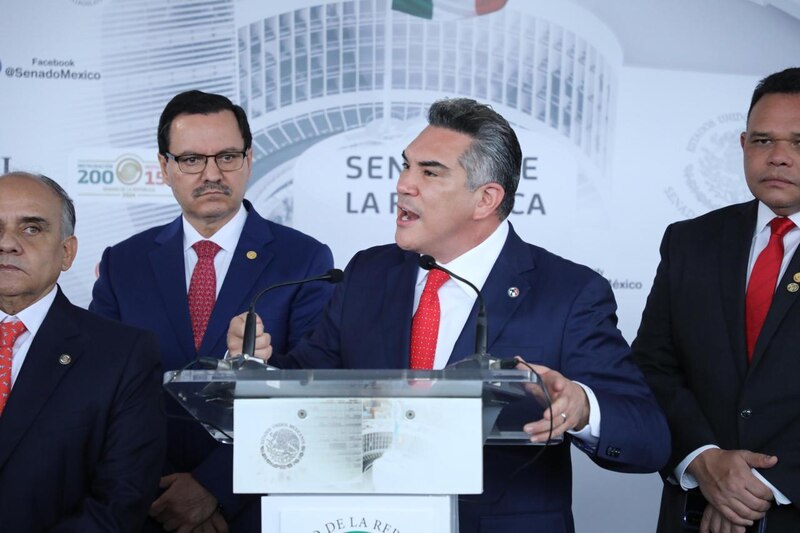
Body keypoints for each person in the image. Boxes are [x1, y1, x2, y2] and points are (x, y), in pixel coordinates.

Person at [229, 98, 671, 533]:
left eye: (429, 172)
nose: (404, 184)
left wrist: (581, 406)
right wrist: (255, 367)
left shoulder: (569, 292)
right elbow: (309, 379)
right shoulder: (368, 271)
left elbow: (647, 438)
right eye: (406, 166)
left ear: (485, 199)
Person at [90, 90, 334, 531]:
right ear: (164, 167)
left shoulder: (305, 261)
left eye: (226, 156)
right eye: (190, 160)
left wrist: (215, 488)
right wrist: (153, 493)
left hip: (249, 507)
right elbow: (97, 391)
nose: (211, 174)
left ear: (249, 159)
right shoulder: (122, 262)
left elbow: (313, 394)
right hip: (142, 505)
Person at [632, 67, 800, 533]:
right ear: (744, 145)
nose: (779, 158)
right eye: (764, 141)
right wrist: (705, 461)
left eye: (799, 143)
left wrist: (761, 484)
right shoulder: (690, 241)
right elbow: (652, 367)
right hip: (694, 512)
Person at [0, 171, 165, 530]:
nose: (7, 243)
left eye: (31, 228)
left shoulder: (123, 355)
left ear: (67, 252)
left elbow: (120, 503)